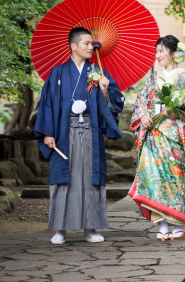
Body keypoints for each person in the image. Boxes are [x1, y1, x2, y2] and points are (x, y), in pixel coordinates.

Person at [34, 26, 125, 244]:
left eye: (92, 44)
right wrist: (47, 132)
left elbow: (115, 104)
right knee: (64, 178)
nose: (91, 47)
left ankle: (91, 228)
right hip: (63, 133)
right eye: (86, 43)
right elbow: (46, 103)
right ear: (73, 46)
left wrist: (104, 90)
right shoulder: (57, 73)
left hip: (90, 133)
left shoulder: (98, 73)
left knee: (89, 178)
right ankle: (60, 229)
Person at [129, 35, 185, 241]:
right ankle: (162, 223)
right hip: (154, 136)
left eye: (162, 52)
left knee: (175, 179)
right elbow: (141, 103)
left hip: (176, 136)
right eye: (156, 52)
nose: (158, 56)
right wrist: (144, 116)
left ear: (173, 54)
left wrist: (179, 113)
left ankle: (178, 223)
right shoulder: (152, 79)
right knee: (155, 179)